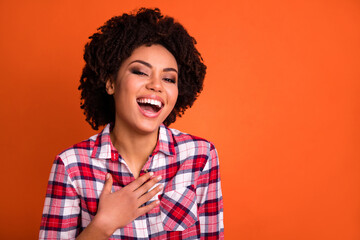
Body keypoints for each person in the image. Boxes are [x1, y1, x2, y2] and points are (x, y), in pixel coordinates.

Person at [39, 8, 224, 239]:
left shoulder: (201, 156)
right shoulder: (71, 166)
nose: (156, 85)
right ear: (110, 83)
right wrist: (104, 224)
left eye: (168, 78)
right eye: (140, 72)